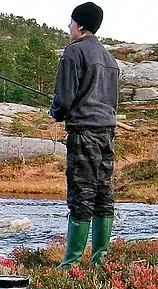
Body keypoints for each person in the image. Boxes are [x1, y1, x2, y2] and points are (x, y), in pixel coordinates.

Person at [49, 2, 120, 268]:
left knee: (82, 192)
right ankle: (99, 261)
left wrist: (55, 112)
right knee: (103, 193)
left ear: (80, 26)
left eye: (70, 22)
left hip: (83, 133)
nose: (68, 26)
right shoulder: (109, 58)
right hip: (107, 132)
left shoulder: (73, 52)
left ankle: (70, 264)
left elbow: (64, 99)